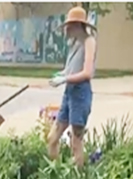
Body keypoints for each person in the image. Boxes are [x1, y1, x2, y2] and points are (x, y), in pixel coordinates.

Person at [47, 6, 97, 168]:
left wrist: (65, 78)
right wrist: (60, 75)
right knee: (53, 137)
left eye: (69, 26)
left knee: (76, 141)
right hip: (69, 92)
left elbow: (87, 73)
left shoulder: (89, 42)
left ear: (77, 25)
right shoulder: (74, 43)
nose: (66, 29)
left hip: (80, 93)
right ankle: (55, 172)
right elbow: (70, 69)